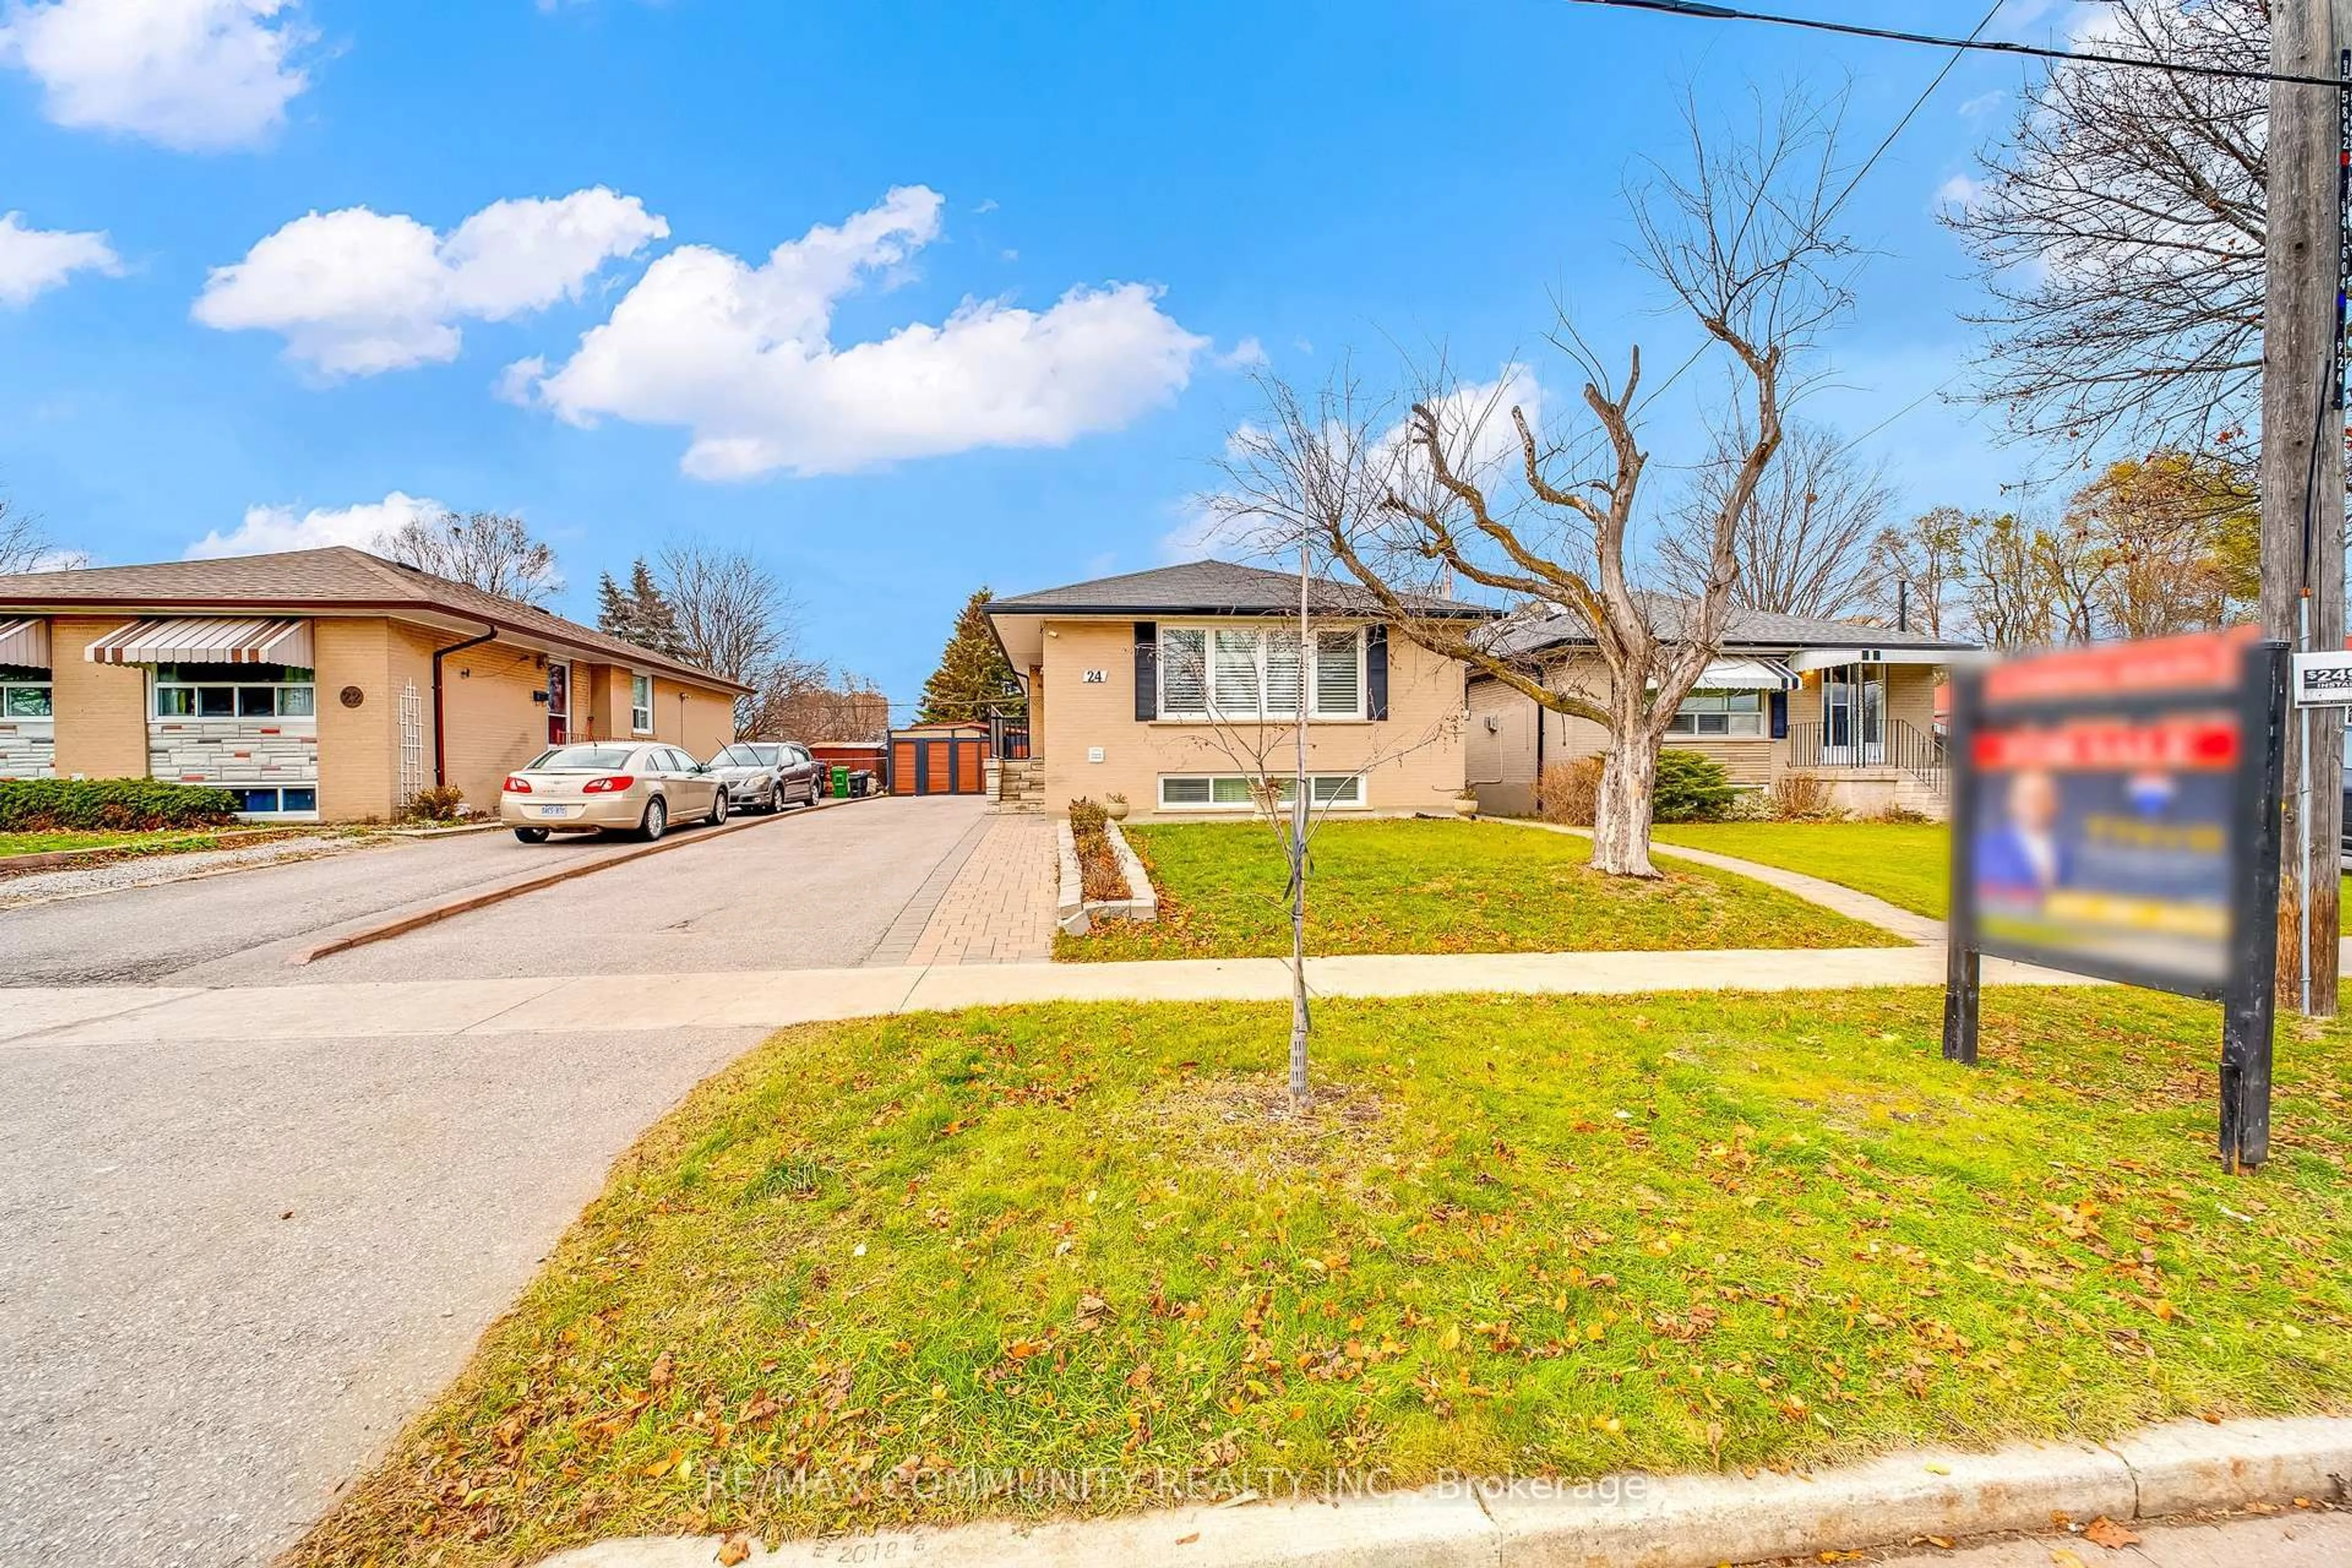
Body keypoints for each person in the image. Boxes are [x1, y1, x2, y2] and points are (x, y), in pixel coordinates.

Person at [1977, 767, 2067, 895]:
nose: (2035, 803)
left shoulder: (2067, 853)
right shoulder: (1984, 849)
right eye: (2028, 796)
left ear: (2055, 803)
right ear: (2012, 802)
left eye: (2042, 795)